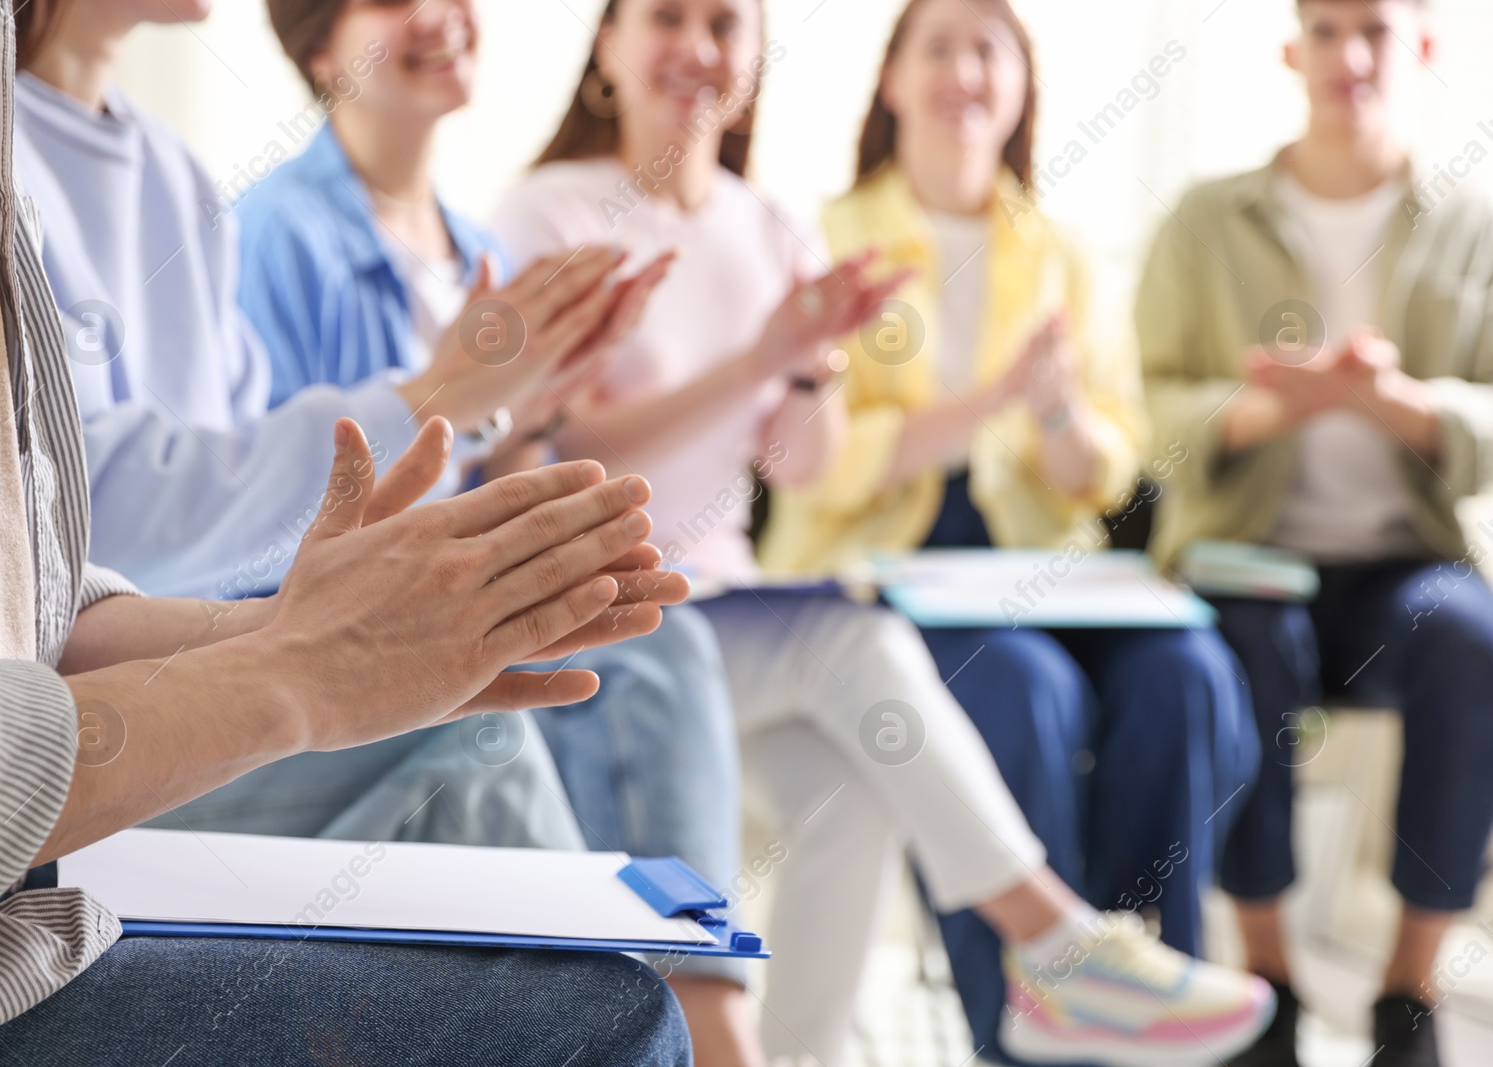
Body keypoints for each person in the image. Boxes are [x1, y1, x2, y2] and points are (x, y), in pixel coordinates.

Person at [0, 5, 695, 1065]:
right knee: (527, 850)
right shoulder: (255, 213)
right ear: (320, 49)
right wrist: (307, 654)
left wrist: (304, 625)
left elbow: (13, 581)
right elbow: (141, 503)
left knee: (633, 661)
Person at [490, 1, 1277, 1065]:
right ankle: (1055, 946)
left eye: (724, 22)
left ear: (756, 57)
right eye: (663, 17)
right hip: (607, 609)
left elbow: (796, 463)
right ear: (607, 50)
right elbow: (549, 438)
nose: (696, 45)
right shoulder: (555, 211)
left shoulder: (764, 224)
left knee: (849, 785)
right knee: (857, 643)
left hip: (721, 607)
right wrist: (759, 353)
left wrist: (809, 364)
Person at [225, 2, 753, 1061]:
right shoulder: (281, 234)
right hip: (349, 634)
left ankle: (691, 1013)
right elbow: (278, 514)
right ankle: (695, 1022)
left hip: (446, 612)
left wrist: (541, 401)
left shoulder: (470, 244)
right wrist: (476, 404)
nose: (439, 15)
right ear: (317, 43)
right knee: (631, 657)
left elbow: (488, 465)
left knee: (643, 621)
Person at [757, 2, 1262, 1061]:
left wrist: (1052, 414)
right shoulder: (824, 236)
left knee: (1189, 674)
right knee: (1023, 691)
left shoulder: (1059, 254)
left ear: (1022, 86)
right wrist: (988, 402)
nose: (964, 71)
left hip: (1042, 567)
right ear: (890, 80)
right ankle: (1020, 1024)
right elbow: (816, 458)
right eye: (935, 45)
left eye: (989, 48)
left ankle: (1143, 996)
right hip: (875, 573)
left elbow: (1108, 465)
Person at [1135, 2, 1493, 1065]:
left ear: (1418, 48)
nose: (1349, 55)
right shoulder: (1204, 221)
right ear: (1291, 50)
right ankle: (1272, 978)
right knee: (1239, 646)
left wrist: (1398, 404)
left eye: (1372, 30)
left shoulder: (1468, 223)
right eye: (1325, 29)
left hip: (1401, 566)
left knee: (1470, 640)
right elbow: (1148, 412)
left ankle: (1405, 989)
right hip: (1253, 559)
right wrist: (1260, 408)